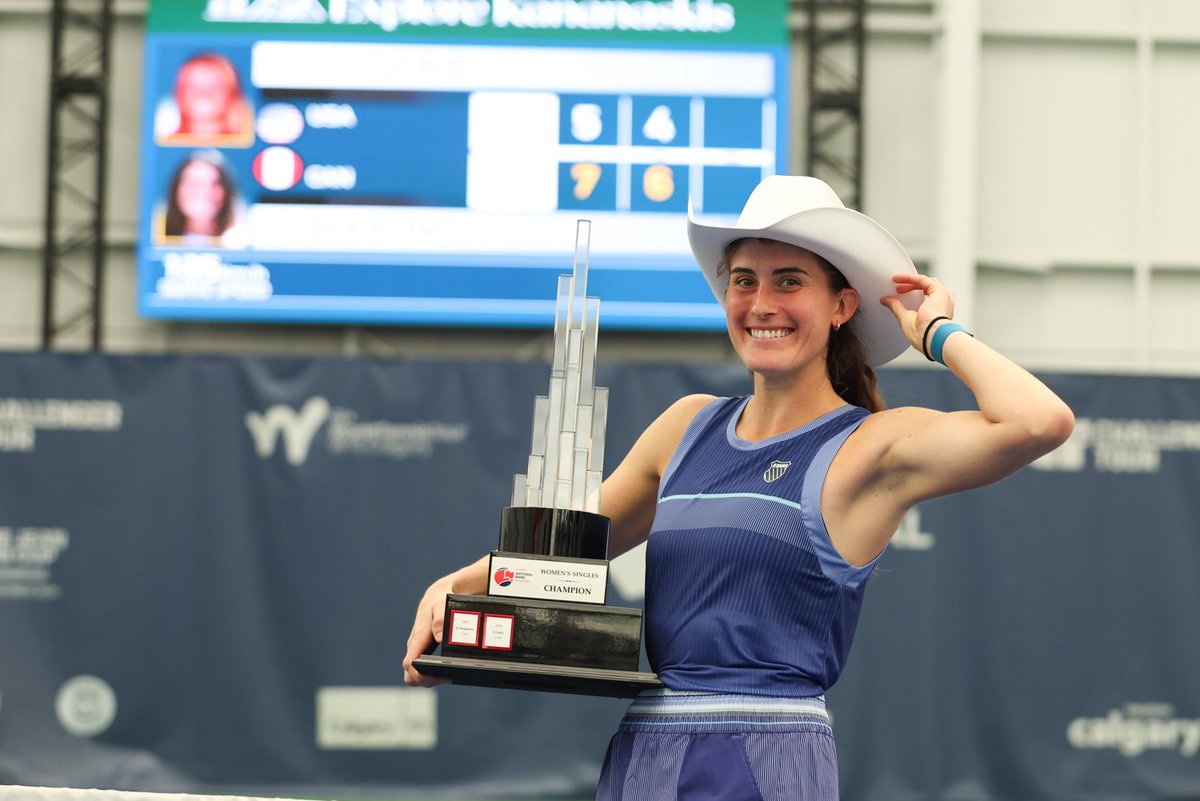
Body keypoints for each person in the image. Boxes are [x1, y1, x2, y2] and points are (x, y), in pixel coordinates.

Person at [402, 175, 1075, 800]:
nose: (761, 304)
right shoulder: (686, 426)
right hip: (646, 754)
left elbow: (1040, 420)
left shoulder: (870, 444)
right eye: (744, 281)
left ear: (842, 305)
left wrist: (935, 331)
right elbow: (559, 554)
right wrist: (454, 587)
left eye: (789, 282)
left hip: (766, 756)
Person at [155, 52, 254, 146]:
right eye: (193, 86)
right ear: (179, 93)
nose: (203, 93)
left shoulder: (246, 141)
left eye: (215, 86)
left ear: (232, 92)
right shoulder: (164, 141)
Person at [160, 151, 247, 248]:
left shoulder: (244, 242)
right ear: (176, 189)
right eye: (194, 183)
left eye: (215, 183)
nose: (205, 191)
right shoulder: (156, 238)